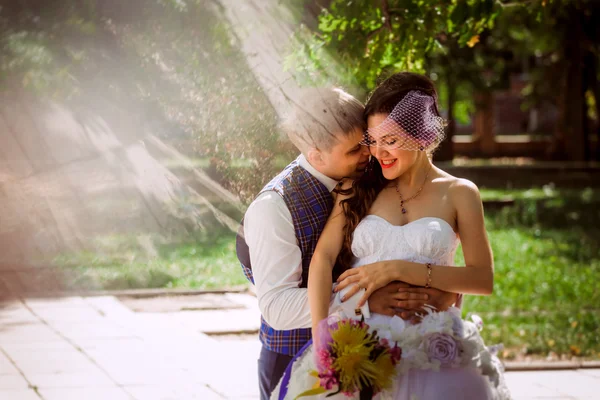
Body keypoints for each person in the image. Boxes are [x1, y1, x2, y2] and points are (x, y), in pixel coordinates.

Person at [272, 73, 511, 399]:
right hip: (362, 342)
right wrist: (322, 335)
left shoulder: (460, 193)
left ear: (422, 135)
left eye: (391, 140)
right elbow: (323, 259)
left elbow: (482, 279)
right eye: (373, 139)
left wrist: (398, 270)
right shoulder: (358, 188)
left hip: (431, 345)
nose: (378, 152)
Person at [235, 86, 461, 400]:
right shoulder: (273, 207)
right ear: (315, 154)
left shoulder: (369, 173)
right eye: (355, 149)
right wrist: (364, 301)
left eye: (368, 141)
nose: (369, 154)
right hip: (294, 357)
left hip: (378, 348)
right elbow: (276, 308)